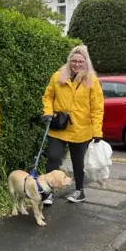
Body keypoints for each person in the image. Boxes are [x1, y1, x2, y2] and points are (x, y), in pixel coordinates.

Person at [41, 45, 104, 204]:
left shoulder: (92, 81)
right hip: (59, 126)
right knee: (53, 157)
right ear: (69, 61)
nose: (76, 64)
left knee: (78, 162)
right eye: (73, 61)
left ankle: (79, 191)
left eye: (80, 62)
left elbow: (97, 107)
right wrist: (48, 112)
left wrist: (97, 131)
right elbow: (48, 96)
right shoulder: (57, 77)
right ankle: (48, 191)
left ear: (86, 63)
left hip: (81, 129)